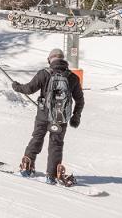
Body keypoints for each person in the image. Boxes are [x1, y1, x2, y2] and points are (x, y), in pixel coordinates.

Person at [11, 48, 84, 185]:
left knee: (37, 138)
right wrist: (76, 117)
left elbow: (28, 89)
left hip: (43, 115)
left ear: (49, 59)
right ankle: (52, 175)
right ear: (63, 59)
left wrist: (17, 86)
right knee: (56, 144)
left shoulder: (44, 74)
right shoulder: (72, 77)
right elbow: (80, 100)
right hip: (60, 118)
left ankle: (27, 166)